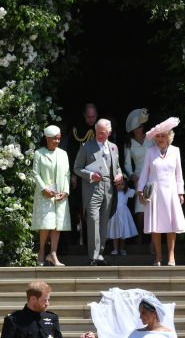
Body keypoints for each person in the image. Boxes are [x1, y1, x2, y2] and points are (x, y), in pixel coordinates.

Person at [137, 118, 185, 266]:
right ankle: (158, 256)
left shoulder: (175, 151)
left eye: (163, 136)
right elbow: (144, 173)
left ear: (169, 136)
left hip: (171, 193)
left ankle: (171, 256)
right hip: (155, 193)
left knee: (171, 225)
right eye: (158, 136)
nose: (160, 139)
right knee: (156, 226)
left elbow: (179, 175)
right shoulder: (150, 152)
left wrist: (180, 193)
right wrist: (140, 190)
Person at [73, 118, 123, 266]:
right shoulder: (86, 146)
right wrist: (90, 175)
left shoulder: (114, 147)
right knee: (93, 220)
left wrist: (119, 174)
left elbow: (118, 166)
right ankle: (93, 256)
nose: (99, 135)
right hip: (92, 187)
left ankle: (100, 253)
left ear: (109, 132)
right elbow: (76, 168)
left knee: (104, 222)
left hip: (108, 187)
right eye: (97, 132)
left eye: (103, 133)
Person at [30, 125, 70, 266]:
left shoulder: (63, 154)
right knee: (46, 224)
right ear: (47, 138)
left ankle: (53, 253)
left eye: (59, 138)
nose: (57, 141)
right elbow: (35, 173)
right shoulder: (39, 153)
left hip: (60, 195)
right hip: (45, 194)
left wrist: (65, 191)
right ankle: (41, 251)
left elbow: (66, 174)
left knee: (57, 225)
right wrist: (44, 189)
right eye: (54, 139)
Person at [64, 103, 99, 247]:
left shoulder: (100, 129)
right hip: (79, 174)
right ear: (84, 115)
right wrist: (72, 174)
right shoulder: (77, 130)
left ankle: (92, 241)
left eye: (93, 117)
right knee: (77, 206)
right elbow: (72, 152)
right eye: (89, 117)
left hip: (96, 175)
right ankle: (74, 240)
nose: (91, 120)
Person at [123, 108, 153, 241]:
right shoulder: (129, 143)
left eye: (140, 127)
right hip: (139, 178)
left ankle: (153, 240)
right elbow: (127, 165)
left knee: (153, 208)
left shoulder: (151, 139)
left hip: (153, 176)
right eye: (136, 127)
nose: (139, 130)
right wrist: (132, 175)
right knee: (140, 210)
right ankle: (140, 238)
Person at [107, 177, 138, 257]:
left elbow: (136, 192)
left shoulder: (126, 192)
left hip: (124, 214)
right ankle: (115, 249)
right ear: (115, 185)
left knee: (124, 232)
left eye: (122, 184)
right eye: (118, 184)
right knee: (115, 232)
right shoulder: (112, 192)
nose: (120, 186)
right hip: (115, 213)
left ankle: (122, 249)